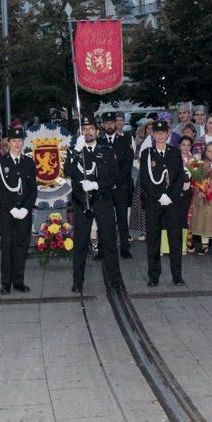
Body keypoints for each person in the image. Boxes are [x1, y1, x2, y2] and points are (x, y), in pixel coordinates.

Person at [65, 115, 123, 293]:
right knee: (80, 243)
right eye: (84, 129)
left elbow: (115, 177)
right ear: (80, 133)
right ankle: (77, 281)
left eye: (91, 129)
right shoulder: (74, 151)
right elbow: (67, 171)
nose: (88, 132)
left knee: (109, 242)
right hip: (81, 202)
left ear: (98, 132)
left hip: (102, 200)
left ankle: (115, 279)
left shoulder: (106, 150)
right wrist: (76, 151)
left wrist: (97, 184)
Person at [138, 120, 186, 286]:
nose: (160, 135)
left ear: (168, 134)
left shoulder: (175, 152)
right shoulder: (147, 154)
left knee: (175, 239)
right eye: (157, 132)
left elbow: (180, 177)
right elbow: (144, 179)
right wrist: (159, 196)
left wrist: (170, 196)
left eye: (163, 132)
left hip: (172, 202)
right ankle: (153, 276)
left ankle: (177, 276)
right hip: (154, 202)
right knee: (153, 241)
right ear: (152, 134)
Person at [0, 127, 37, 294]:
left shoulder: (28, 162)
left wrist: (25, 208)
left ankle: (19, 281)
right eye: (14, 141)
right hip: (7, 212)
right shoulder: (0, 162)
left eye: (19, 141)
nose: (17, 144)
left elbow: (33, 189)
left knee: (21, 247)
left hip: (24, 212)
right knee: (7, 246)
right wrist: (11, 208)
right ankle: (6, 283)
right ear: (8, 143)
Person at [98, 112, 134, 259]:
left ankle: (125, 247)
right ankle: (102, 249)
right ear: (103, 125)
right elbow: (97, 165)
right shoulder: (99, 142)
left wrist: (115, 180)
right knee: (103, 219)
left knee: (122, 219)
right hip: (104, 188)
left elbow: (127, 164)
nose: (109, 125)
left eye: (111, 123)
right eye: (106, 123)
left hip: (121, 186)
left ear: (116, 124)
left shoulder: (125, 140)